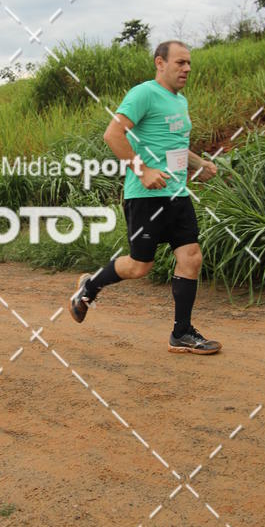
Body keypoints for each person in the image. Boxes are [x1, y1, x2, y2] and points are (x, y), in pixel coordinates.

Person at [69, 40, 222, 355]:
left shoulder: (180, 101)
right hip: (145, 196)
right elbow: (113, 134)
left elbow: (176, 146)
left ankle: (181, 333)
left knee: (191, 256)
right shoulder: (143, 94)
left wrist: (199, 164)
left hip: (177, 193)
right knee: (140, 266)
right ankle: (90, 286)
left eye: (189, 63)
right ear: (160, 63)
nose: (187, 68)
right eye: (180, 62)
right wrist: (143, 171)